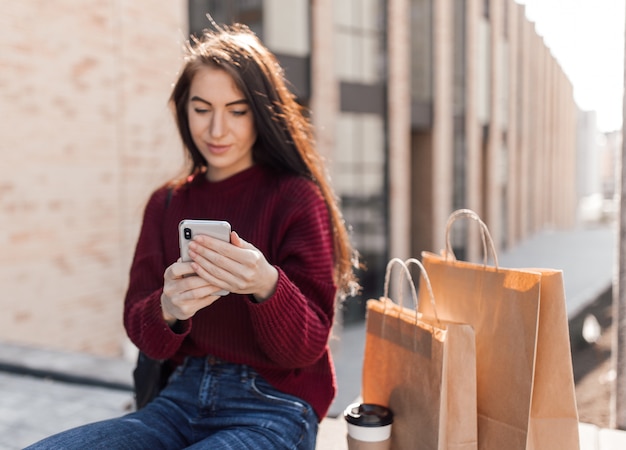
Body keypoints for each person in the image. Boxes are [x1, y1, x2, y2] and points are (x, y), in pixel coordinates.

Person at [26, 22, 357, 450]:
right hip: (178, 399)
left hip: (273, 405)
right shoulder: (165, 204)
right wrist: (168, 308)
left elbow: (306, 348)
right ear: (183, 109)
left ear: (262, 112)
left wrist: (266, 286)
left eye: (237, 111)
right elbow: (141, 331)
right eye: (202, 109)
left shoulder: (295, 197)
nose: (217, 130)